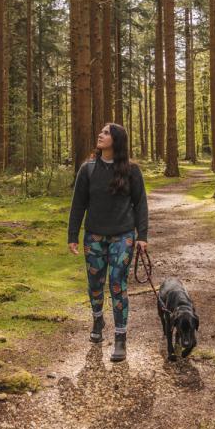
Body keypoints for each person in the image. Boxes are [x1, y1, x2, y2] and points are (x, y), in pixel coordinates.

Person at [67, 123, 148, 362]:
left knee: (116, 282)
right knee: (95, 283)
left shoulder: (132, 170)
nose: (100, 135)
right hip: (94, 236)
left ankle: (120, 337)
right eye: (100, 132)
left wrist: (142, 236)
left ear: (116, 140)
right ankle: (97, 319)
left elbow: (141, 203)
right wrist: (72, 235)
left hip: (123, 235)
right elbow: (78, 204)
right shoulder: (88, 169)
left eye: (105, 133)